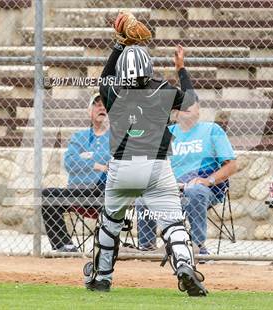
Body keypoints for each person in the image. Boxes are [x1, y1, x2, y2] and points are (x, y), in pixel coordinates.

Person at [83, 38, 207, 295]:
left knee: (110, 223)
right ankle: (184, 265)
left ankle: (102, 277)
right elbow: (191, 101)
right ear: (148, 68)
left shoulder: (113, 90)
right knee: (173, 223)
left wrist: (119, 44)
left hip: (122, 167)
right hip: (157, 165)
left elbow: (104, 77)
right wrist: (181, 69)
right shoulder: (163, 88)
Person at [137, 102, 238, 257]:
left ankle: (197, 247)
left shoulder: (212, 130)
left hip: (205, 188)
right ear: (175, 112)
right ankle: (147, 249)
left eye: (191, 103)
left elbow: (231, 166)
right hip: (172, 188)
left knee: (194, 190)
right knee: (144, 196)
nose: (185, 106)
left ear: (198, 110)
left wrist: (208, 180)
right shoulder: (165, 133)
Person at [41, 93, 110, 252]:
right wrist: (97, 165)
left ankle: (108, 247)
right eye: (97, 104)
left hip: (104, 192)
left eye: (105, 104)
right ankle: (65, 245)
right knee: (47, 195)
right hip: (78, 191)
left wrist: (85, 159)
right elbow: (70, 163)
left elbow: (115, 164)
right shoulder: (79, 137)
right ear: (89, 112)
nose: (101, 107)